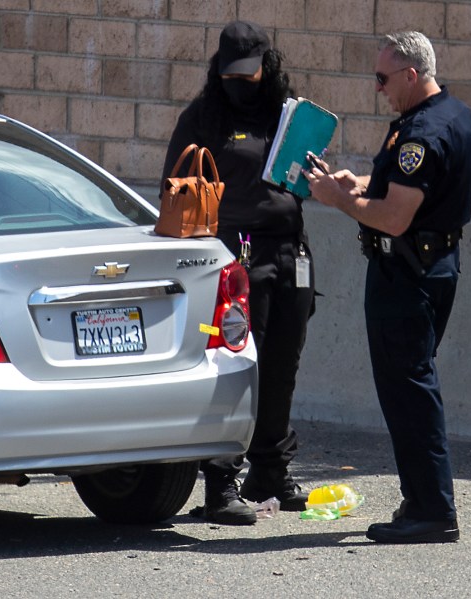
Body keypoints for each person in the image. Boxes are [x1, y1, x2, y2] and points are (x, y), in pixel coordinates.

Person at [305, 31, 471, 543]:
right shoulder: (455, 116)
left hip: (405, 275)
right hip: (435, 267)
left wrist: (338, 202)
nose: (377, 87)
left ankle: (431, 509)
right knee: (412, 385)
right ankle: (423, 499)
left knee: (408, 392)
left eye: (383, 78)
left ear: (410, 74)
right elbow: (420, 197)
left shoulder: (421, 135)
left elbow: (397, 218)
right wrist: (360, 185)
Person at [162, 21, 315, 525]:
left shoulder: (287, 117)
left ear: (266, 69)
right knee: (236, 367)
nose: (240, 83)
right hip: (237, 254)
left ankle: (270, 469)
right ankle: (221, 480)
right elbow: (176, 188)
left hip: (290, 250)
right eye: (231, 74)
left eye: (248, 74)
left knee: (281, 366)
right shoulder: (204, 118)